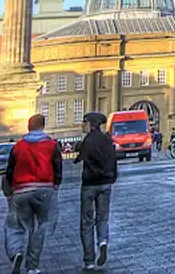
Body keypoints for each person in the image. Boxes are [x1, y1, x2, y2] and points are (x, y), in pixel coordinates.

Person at [2, 113, 63, 274]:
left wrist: (9, 193)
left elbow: (9, 171)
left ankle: (16, 252)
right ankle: (33, 266)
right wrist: (55, 185)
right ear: (43, 126)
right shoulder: (51, 145)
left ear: (29, 127)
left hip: (21, 190)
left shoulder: (18, 146)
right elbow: (58, 166)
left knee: (14, 225)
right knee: (41, 226)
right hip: (45, 188)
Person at [75, 112, 116, 271]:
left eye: (84, 122)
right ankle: (103, 242)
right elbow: (113, 160)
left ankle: (89, 260)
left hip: (89, 184)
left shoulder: (88, 141)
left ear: (91, 124)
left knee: (86, 222)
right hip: (106, 183)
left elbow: (80, 158)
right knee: (103, 218)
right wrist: (113, 177)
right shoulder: (107, 139)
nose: (82, 125)